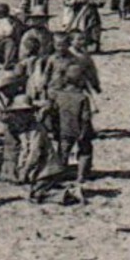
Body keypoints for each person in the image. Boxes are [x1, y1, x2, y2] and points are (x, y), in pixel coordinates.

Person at [50, 64, 95, 201]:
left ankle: (60, 173)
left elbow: (53, 114)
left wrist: (55, 128)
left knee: (63, 152)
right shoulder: (82, 98)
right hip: (80, 128)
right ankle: (81, 176)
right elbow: (86, 117)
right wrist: (85, 131)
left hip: (64, 129)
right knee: (85, 151)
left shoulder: (58, 96)